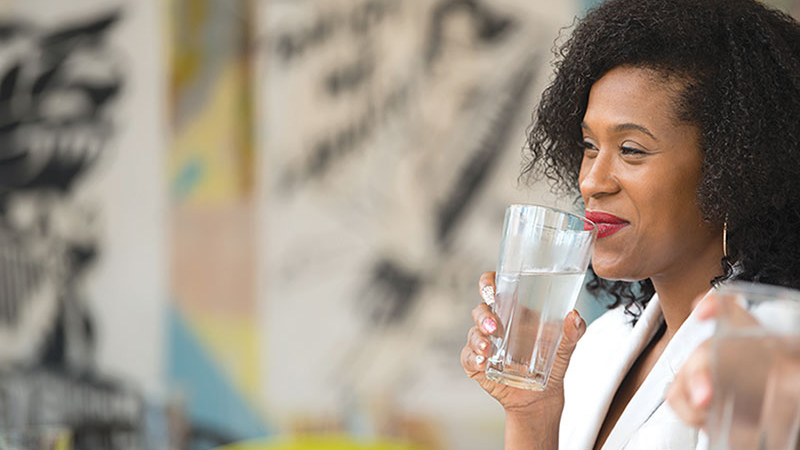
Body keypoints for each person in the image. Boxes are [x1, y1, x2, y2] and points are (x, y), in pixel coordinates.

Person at [459, 0, 800, 449]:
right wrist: (532, 413)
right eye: (588, 145)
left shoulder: (769, 344)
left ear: (733, 170)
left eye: (632, 149)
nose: (591, 181)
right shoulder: (602, 344)